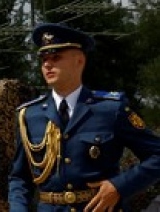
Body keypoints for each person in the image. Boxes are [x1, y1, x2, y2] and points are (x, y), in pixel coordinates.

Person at [8, 22, 160, 211]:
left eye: (56, 57)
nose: (47, 64)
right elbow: (20, 178)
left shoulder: (110, 110)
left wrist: (119, 187)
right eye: (43, 59)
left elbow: (157, 155)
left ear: (79, 61)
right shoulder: (30, 115)